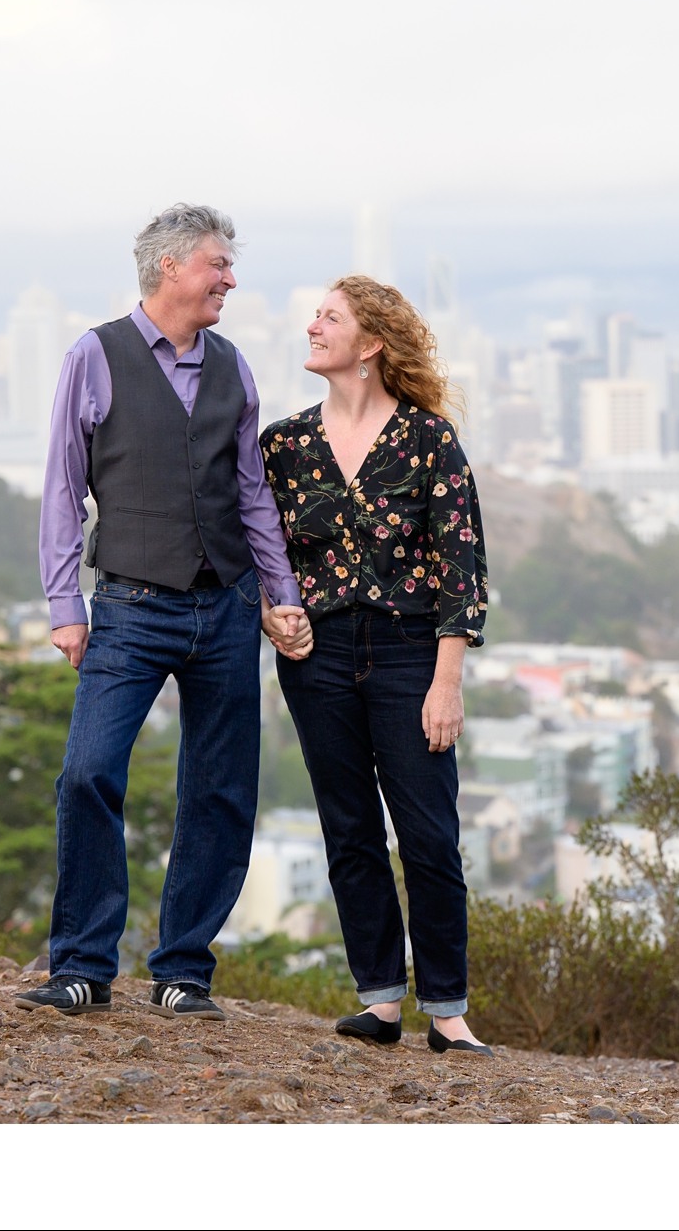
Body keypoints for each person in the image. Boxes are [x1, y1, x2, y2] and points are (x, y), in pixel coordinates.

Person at [15, 203, 310, 1021]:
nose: (230, 279)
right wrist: (63, 605)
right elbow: (61, 485)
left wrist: (280, 595)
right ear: (172, 267)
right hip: (129, 607)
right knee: (89, 772)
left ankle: (184, 971)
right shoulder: (94, 355)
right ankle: (81, 964)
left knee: (219, 792)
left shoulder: (235, 366)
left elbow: (252, 493)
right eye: (219, 265)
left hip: (226, 608)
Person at [258, 275, 494, 1056]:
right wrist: (272, 611)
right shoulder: (284, 445)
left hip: (409, 656)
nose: (312, 327)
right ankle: (382, 1001)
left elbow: (462, 568)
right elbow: (263, 554)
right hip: (316, 660)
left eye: (329, 318)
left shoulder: (428, 440)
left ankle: (449, 1012)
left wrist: (446, 681)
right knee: (349, 832)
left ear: (370, 345)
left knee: (428, 835)